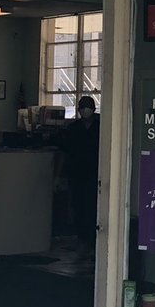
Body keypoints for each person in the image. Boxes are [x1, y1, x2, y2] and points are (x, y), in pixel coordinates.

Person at [62, 96, 100, 259]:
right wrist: (60, 175)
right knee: (78, 207)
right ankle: (82, 239)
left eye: (87, 107)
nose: (85, 110)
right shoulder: (73, 128)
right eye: (82, 107)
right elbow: (66, 153)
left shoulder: (101, 127)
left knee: (92, 208)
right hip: (77, 173)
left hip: (95, 174)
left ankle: (92, 241)